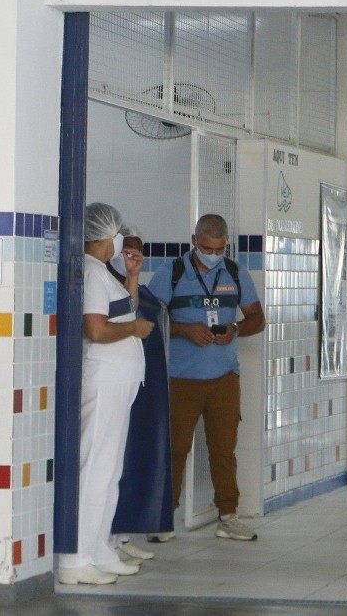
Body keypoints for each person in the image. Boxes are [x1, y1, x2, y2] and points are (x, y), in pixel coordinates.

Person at [147, 214, 265, 542]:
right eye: (206, 247)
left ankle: (228, 517)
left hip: (224, 377)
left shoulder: (236, 273)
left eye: (218, 248)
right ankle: (163, 517)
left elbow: (258, 319)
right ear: (194, 241)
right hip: (180, 378)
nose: (212, 254)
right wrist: (184, 330)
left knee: (224, 449)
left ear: (226, 244)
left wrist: (235, 329)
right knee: (175, 448)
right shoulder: (170, 274)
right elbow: (148, 321)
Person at [57, 204, 155, 586]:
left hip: (119, 383)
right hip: (103, 380)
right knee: (93, 467)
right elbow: (96, 330)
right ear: (106, 234)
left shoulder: (104, 273)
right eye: (118, 232)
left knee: (109, 470)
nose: (121, 239)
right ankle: (75, 558)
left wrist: (132, 276)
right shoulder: (91, 272)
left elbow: (124, 309)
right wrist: (133, 330)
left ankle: (99, 549)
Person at [107, 229, 169, 563]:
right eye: (125, 251)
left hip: (138, 386)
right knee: (109, 465)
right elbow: (115, 323)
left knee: (127, 461)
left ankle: (123, 533)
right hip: (109, 386)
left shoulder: (138, 289)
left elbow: (132, 309)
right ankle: (106, 539)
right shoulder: (100, 283)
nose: (131, 257)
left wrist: (133, 276)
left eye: (136, 253)